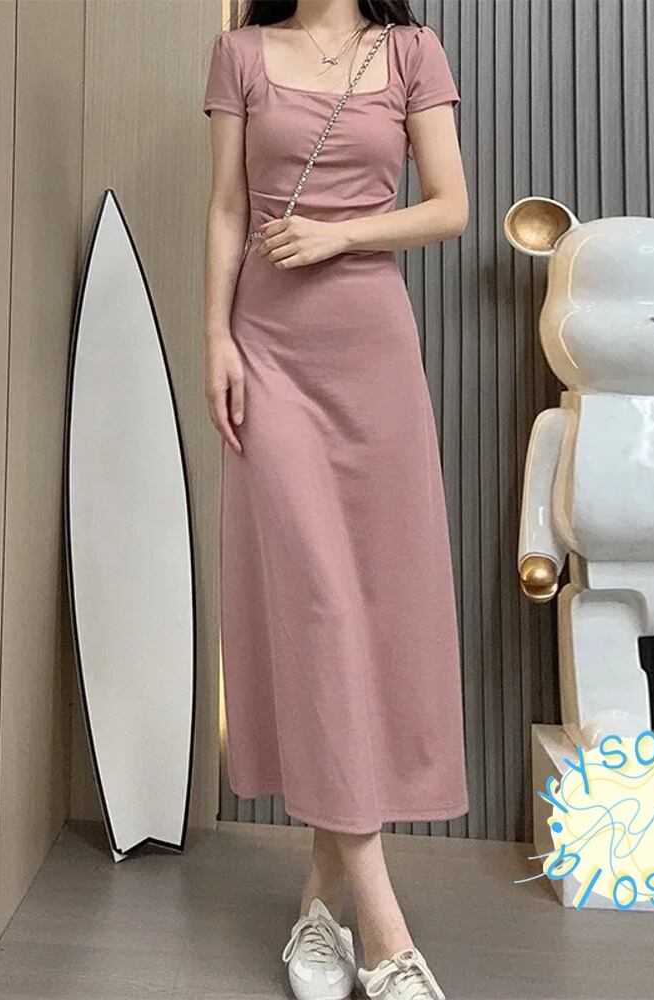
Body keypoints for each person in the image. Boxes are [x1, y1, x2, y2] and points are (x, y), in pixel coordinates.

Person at [202, 2, 468, 997]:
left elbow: (450, 206)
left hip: (372, 351)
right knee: (315, 603)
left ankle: (319, 903)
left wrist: (337, 235)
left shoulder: (411, 53)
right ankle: (388, 934)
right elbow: (227, 209)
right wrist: (216, 338)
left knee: (369, 611)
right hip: (268, 347)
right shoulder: (238, 52)